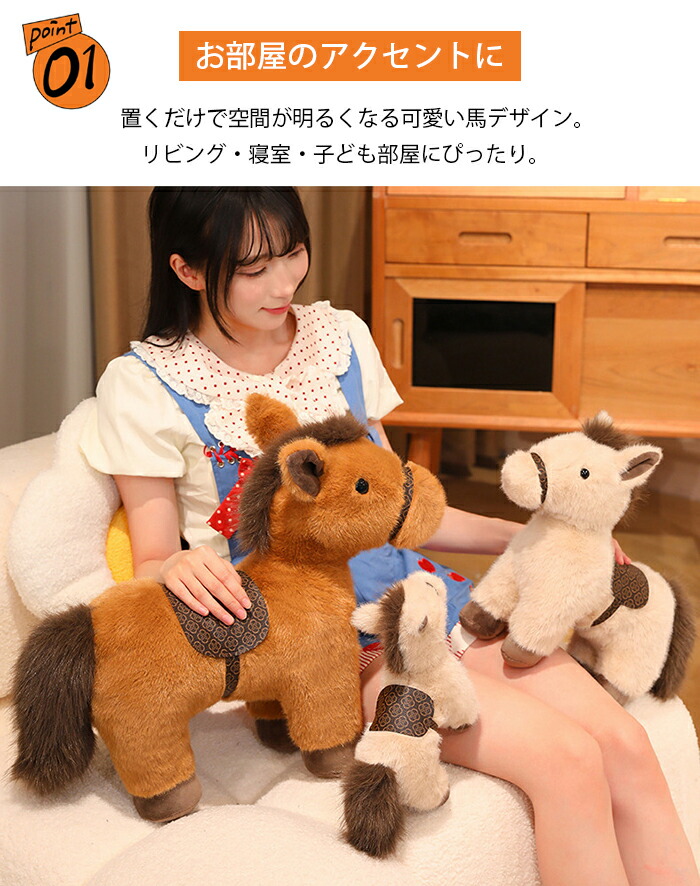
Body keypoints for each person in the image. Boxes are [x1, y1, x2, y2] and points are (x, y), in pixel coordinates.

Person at [80, 187, 698, 886]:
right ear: (188, 270)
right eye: (253, 269)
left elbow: (400, 506)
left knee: (624, 744)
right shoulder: (145, 384)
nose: (284, 284)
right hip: (334, 642)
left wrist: (535, 537)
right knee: (568, 761)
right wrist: (171, 567)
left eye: (293, 254)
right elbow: (154, 553)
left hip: (431, 597)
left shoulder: (339, 337)